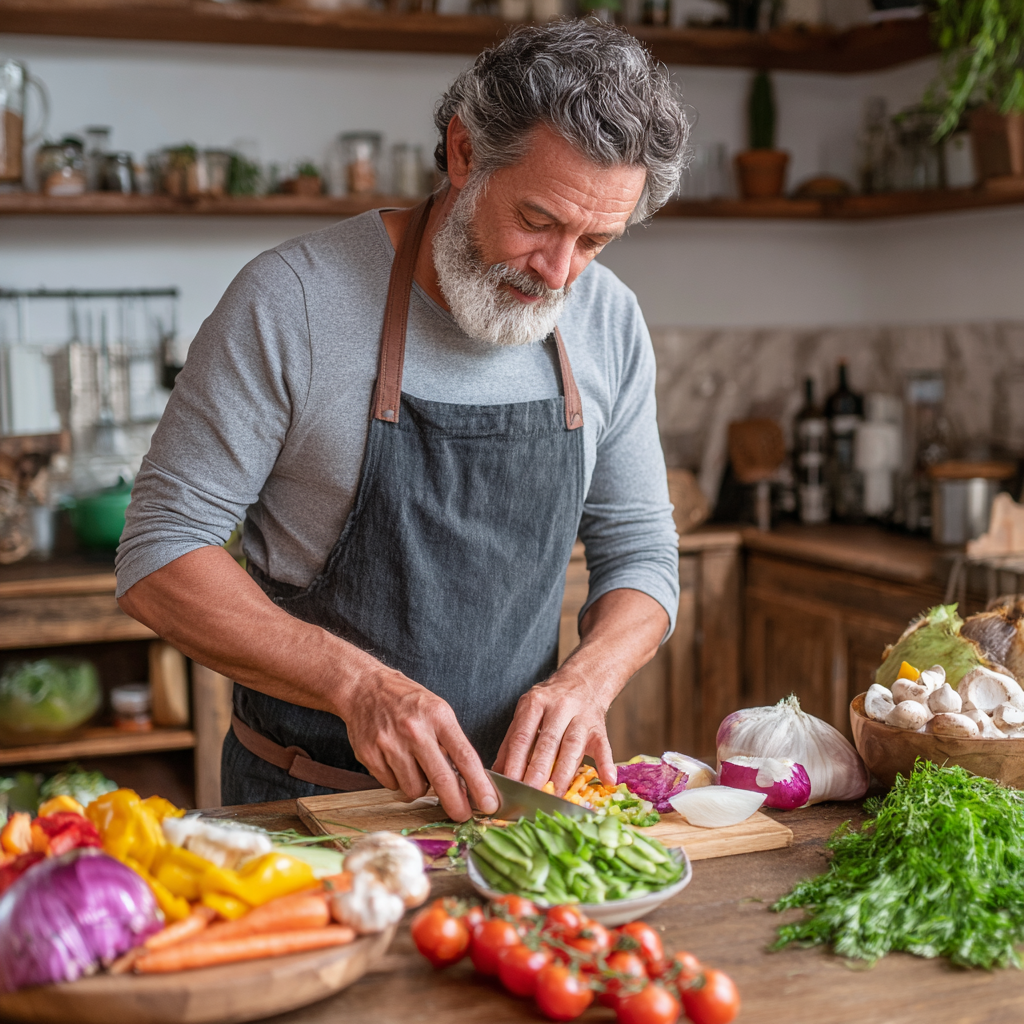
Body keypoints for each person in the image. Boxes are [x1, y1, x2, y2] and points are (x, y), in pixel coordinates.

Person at [115, 20, 689, 820]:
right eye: (538, 220)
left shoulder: (608, 320)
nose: (560, 272)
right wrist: (358, 685)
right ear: (463, 152)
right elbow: (160, 554)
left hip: (516, 815)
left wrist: (587, 679)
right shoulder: (293, 301)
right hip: (307, 809)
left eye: (595, 240)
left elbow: (643, 552)